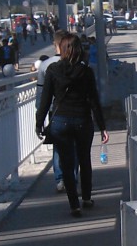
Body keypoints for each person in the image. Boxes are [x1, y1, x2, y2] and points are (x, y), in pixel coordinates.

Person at [36, 33, 109, 217]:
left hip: (60, 121)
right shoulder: (86, 71)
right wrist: (102, 126)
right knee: (84, 160)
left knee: (67, 164)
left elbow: (45, 100)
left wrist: (39, 123)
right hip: (83, 120)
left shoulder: (53, 70)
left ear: (62, 49)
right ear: (78, 50)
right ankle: (87, 198)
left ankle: (74, 205)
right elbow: (94, 101)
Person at [36, 30, 76, 193]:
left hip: (55, 112)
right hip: (76, 111)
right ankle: (72, 178)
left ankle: (60, 179)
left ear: (55, 44)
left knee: (59, 146)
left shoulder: (45, 65)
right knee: (74, 146)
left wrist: (39, 117)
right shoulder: (78, 63)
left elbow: (41, 94)